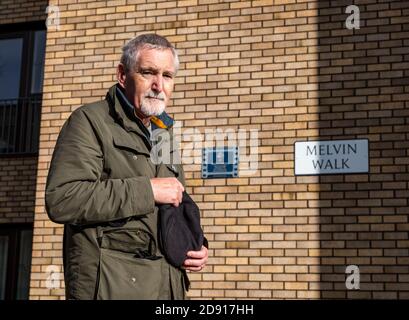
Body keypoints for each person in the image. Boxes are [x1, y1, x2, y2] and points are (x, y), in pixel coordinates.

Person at [45, 34, 208, 300]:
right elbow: (63, 199)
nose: (159, 85)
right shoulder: (89, 122)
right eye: (148, 73)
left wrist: (195, 245)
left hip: (168, 287)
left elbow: (174, 202)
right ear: (123, 75)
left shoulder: (164, 132)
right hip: (113, 286)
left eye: (167, 76)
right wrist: (147, 190)